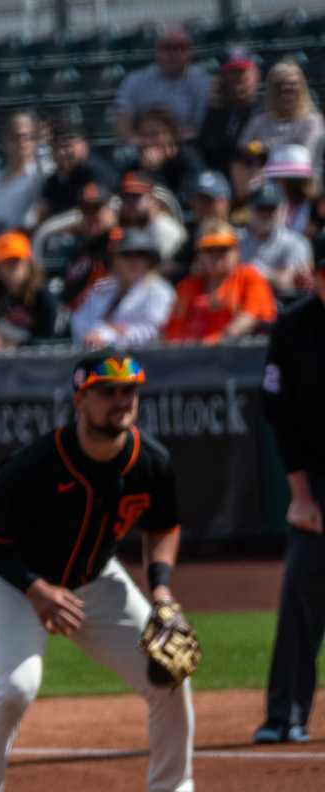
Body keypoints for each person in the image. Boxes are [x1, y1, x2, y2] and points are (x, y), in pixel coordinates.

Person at [0, 349, 220, 792]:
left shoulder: (151, 461)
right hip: (14, 580)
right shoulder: (34, 464)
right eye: (107, 391)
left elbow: (163, 526)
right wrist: (37, 591)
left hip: (95, 581)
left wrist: (161, 590)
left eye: (129, 391)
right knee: (16, 688)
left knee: (169, 670)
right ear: (80, 399)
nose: (121, 401)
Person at [255, 264, 325, 743]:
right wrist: (301, 495)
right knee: (303, 594)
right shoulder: (295, 328)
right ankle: (285, 715)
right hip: (318, 480)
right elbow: (281, 417)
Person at [165, 222, 275, 343]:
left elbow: (249, 317)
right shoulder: (187, 286)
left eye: (223, 249)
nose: (216, 255)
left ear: (236, 251)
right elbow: (172, 331)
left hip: (231, 353)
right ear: (199, 255)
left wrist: (217, 342)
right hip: (187, 354)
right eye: (209, 250)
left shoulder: (250, 277)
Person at [71, 228, 174, 347]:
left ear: (149, 260)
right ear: (114, 260)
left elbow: (153, 331)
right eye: (127, 254)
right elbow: (79, 320)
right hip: (95, 357)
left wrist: (109, 335)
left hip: (143, 360)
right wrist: (94, 335)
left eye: (140, 255)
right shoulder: (102, 287)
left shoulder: (160, 291)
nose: (134, 261)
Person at [112, 26, 210, 142]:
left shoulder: (203, 82)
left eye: (181, 47)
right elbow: (122, 124)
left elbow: (201, 128)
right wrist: (142, 143)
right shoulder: (135, 81)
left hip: (186, 146)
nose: (174, 53)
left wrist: (166, 143)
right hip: (143, 146)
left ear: (191, 52)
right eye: (167, 47)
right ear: (157, 51)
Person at [240, 59, 323, 170]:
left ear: (301, 89)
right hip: (265, 182)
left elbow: (304, 154)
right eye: (279, 87)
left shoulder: (313, 121)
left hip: (303, 182)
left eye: (292, 87)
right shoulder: (259, 121)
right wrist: (255, 147)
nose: (285, 93)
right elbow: (244, 146)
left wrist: (265, 146)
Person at [0, 231, 60, 348]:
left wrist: (9, 346)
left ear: (28, 263)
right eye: (2, 265)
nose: (8, 271)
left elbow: (49, 342)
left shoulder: (43, 297)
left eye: (14, 263)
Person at [240, 184, 313, 302]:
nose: (266, 214)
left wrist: (248, 272)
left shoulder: (296, 242)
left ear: (283, 209)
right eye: (261, 208)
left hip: (281, 308)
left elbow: (287, 282)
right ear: (249, 209)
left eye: (271, 208)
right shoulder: (234, 239)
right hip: (239, 303)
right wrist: (274, 274)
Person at [197, 49, 261, 175]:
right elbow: (205, 149)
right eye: (232, 73)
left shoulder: (263, 111)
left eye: (242, 73)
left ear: (255, 76)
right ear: (222, 77)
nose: (238, 79)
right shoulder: (214, 113)